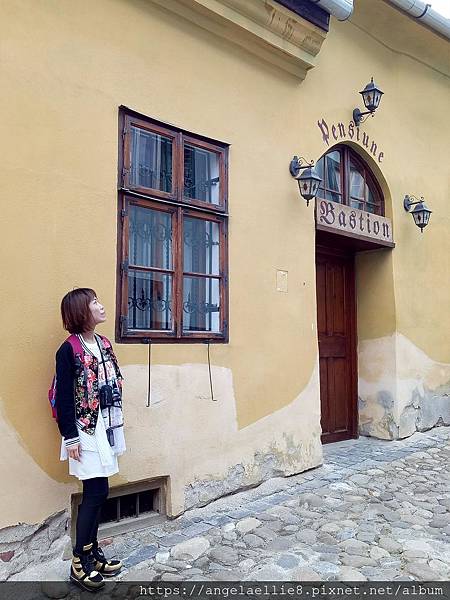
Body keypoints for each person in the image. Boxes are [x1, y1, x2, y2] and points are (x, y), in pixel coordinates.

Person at [55, 288, 126, 592]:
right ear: (81, 311)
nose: (101, 306)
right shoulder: (68, 349)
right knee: (95, 491)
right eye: (95, 302)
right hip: (83, 431)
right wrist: (70, 436)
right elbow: (64, 397)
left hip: (106, 427)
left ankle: (91, 552)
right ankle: (78, 560)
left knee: (100, 490)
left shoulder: (103, 343)